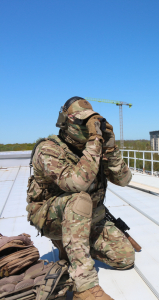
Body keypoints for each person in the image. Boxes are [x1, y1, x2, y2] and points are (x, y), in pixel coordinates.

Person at [26, 97, 134, 300]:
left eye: (92, 124)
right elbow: (77, 184)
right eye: (82, 123)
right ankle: (84, 287)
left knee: (124, 258)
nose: (90, 129)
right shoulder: (48, 149)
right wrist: (95, 143)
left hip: (90, 219)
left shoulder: (98, 148)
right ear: (66, 122)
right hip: (52, 218)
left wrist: (111, 148)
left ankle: (76, 248)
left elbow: (125, 179)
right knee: (79, 198)